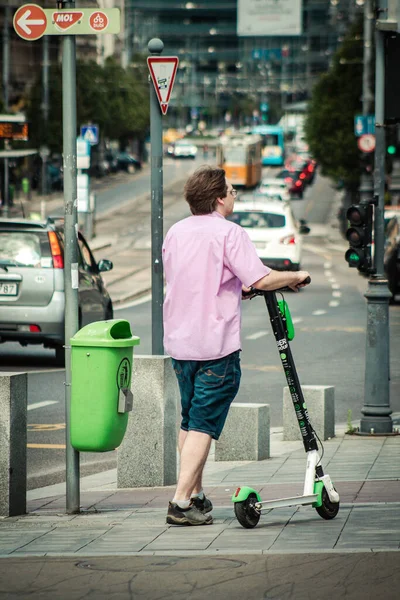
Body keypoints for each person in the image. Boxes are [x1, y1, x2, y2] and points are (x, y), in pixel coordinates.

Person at [162, 165, 310, 526]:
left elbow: (193, 278)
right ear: (217, 198)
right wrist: (295, 276)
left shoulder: (176, 232)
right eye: (231, 190)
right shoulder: (230, 233)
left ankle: (195, 494)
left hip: (181, 343)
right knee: (203, 424)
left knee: (190, 420)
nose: (234, 195)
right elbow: (262, 277)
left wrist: (236, 286)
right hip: (216, 346)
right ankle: (180, 503)